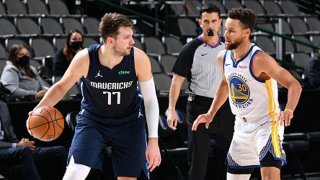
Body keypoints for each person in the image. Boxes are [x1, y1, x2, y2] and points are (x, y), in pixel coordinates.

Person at [30, 12, 161, 180]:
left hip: (129, 123)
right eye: (127, 37)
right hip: (94, 121)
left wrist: (153, 140)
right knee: (74, 174)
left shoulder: (139, 59)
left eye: (132, 36)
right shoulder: (85, 58)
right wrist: (37, 110)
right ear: (110, 40)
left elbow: (150, 100)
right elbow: (61, 86)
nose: (132, 42)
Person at [192, 8, 302, 180]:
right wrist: (211, 113)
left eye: (232, 31)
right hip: (241, 127)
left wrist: (289, 110)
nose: (226, 34)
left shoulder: (260, 60)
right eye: (226, 29)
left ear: (246, 33)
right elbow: (225, 83)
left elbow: (294, 84)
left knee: (269, 177)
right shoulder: (223, 57)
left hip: (267, 124)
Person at [166, 3, 233, 180]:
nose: (210, 25)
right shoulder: (190, 48)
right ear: (199, 23)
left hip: (225, 107)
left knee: (238, 156)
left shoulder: (230, 48)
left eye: (213, 21)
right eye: (206, 21)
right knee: (197, 162)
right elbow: (177, 80)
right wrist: (171, 109)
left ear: (220, 22)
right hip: (199, 107)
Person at [0, 100, 67, 180]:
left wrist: (22, 142)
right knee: (24, 151)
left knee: (60, 151)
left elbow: (10, 132)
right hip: (3, 150)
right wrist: (17, 145)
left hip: (12, 148)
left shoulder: (2, 105)